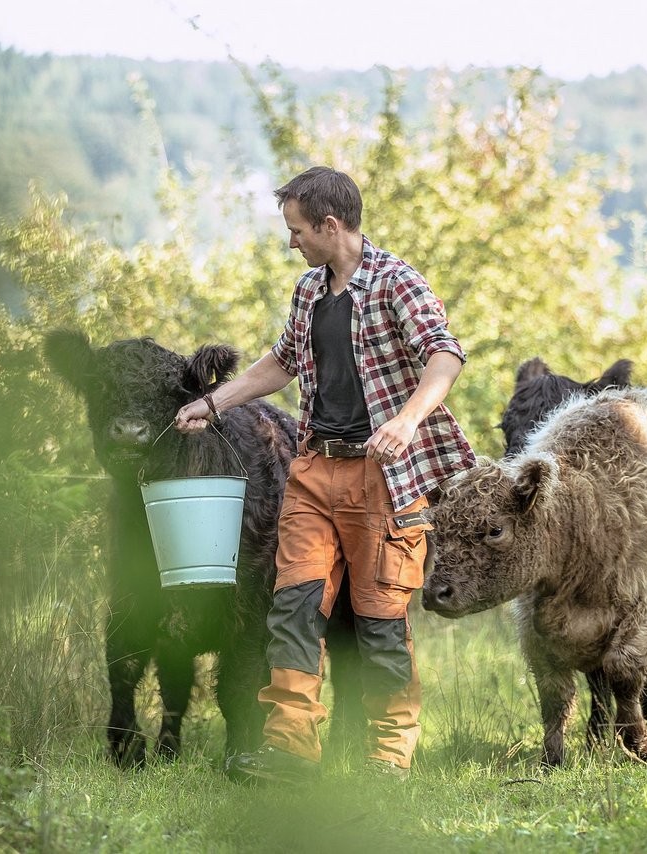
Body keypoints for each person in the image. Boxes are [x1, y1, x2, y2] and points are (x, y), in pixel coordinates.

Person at [175, 166, 474, 783]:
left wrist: (409, 420)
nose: (293, 243)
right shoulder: (310, 290)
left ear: (330, 224)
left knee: (378, 620)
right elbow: (281, 362)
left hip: (381, 478)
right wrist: (213, 403)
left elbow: (444, 354)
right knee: (293, 610)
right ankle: (291, 750)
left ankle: (387, 757)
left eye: (297, 230)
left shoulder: (396, 283)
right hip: (313, 471)